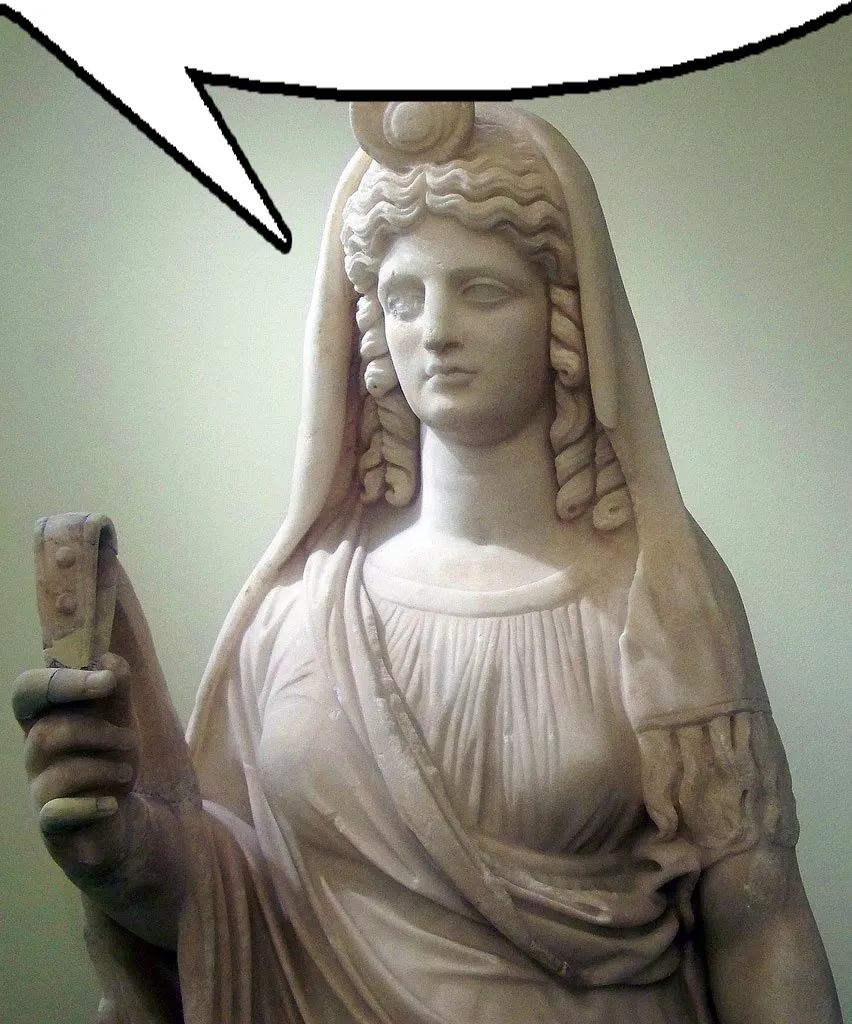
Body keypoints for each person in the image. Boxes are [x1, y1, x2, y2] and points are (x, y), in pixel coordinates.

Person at [13, 102, 841, 1023]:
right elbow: (239, 911)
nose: (436, 330)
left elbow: (759, 925)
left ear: (564, 316)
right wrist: (121, 850)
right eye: (405, 298)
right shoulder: (302, 608)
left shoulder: (659, 593)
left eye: (483, 291)